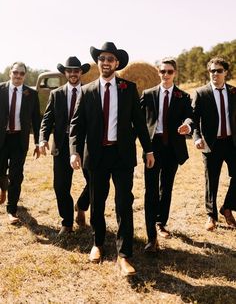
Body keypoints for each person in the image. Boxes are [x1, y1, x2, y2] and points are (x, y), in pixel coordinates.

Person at [70, 42, 154, 276]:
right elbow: (77, 125)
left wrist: (148, 150)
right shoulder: (87, 91)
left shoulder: (129, 88)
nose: (106, 62)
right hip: (96, 156)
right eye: (102, 59)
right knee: (97, 203)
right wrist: (74, 151)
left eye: (110, 59)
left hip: (122, 155)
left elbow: (139, 123)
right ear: (98, 63)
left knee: (124, 203)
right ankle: (97, 244)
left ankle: (124, 255)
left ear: (117, 63)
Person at [140, 58, 193, 252]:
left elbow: (190, 116)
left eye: (170, 71)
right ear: (158, 72)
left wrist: (187, 125)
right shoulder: (148, 94)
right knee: (150, 190)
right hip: (152, 148)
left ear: (175, 73)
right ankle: (150, 236)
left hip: (173, 149)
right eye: (163, 71)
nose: (166, 75)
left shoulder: (183, 96)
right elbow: (137, 119)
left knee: (166, 187)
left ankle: (161, 223)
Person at [39, 57, 91, 235]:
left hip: (85, 145)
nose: (73, 73)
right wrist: (43, 138)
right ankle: (67, 222)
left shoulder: (90, 92)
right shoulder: (57, 94)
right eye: (69, 70)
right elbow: (47, 120)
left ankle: (82, 205)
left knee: (94, 182)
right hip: (61, 145)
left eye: (76, 70)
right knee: (61, 186)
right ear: (65, 73)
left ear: (81, 72)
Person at [192, 57, 236, 231]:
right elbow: (193, 118)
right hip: (211, 144)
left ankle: (227, 207)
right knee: (212, 180)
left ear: (225, 72)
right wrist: (196, 136)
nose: (215, 74)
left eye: (219, 70)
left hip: (232, 143)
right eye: (212, 71)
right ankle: (211, 216)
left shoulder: (234, 92)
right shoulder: (201, 93)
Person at [0, 62, 41, 224]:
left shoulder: (31, 94)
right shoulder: (1, 90)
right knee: (1, 172)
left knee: (16, 176)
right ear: (10, 73)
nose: (18, 76)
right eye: (15, 72)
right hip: (1, 139)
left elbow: (36, 120)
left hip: (19, 140)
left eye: (21, 74)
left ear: (25, 75)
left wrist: (38, 143)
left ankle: (11, 210)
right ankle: (3, 188)